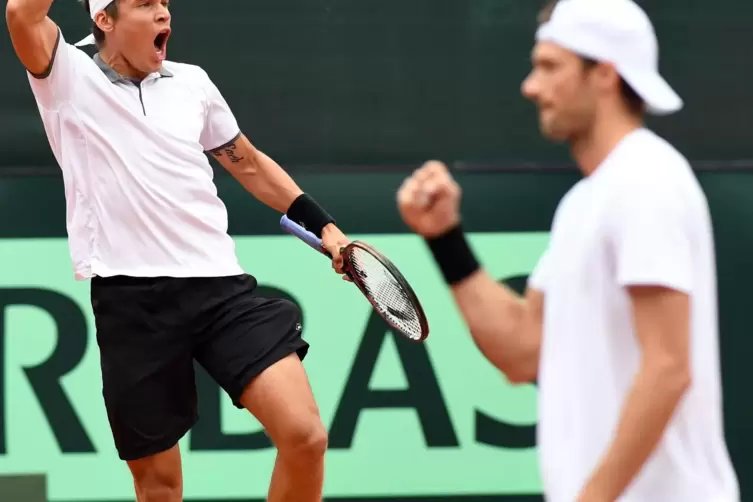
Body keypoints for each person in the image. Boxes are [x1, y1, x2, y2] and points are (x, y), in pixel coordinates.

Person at [5, 0, 350, 500]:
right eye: (147, 4)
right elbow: (21, 13)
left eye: (165, 3)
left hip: (222, 293)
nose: (164, 14)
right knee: (160, 489)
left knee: (306, 437)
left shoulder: (193, 82)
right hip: (132, 302)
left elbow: (248, 164)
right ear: (105, 20)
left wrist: (328, 229)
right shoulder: (64, 73)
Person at [397, 0, 740, 501]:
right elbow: (522, 352)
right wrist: (445, 238)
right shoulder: (585, 201)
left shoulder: (647, 180)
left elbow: (668, 367)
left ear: (604, 73)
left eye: (549, 67)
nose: (530, 87)